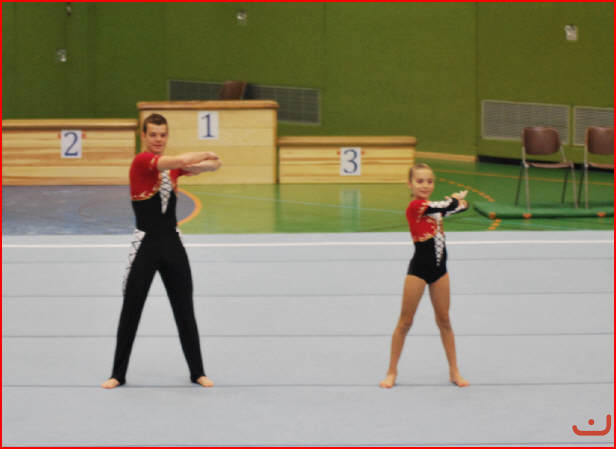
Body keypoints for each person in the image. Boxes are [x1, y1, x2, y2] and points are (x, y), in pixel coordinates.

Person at [102, 113, 221, 389]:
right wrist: (204, 153)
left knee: (184, 308)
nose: (158, 139)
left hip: (172, 244)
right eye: (153, 134)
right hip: (145, 245)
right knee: (132, 308)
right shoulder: (142, 161)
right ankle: (117, 374)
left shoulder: (172, 169)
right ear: (143, 136)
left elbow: (212, 166)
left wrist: (212, 161)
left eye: (163, 135)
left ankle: (197, 372)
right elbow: (179, 161)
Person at [380, 163, 470, 388]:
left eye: (429, 181)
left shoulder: (433, 208)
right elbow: (449, 205)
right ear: (409, 184)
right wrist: (455, 200)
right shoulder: (416, 206)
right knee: (405, 322)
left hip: (440, 270)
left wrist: (460, 202)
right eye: (419, 181)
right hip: (419, 270)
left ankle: (454, 371)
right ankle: (391, 371)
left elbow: (459, 208)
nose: (425, 185)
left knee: (445, 320)